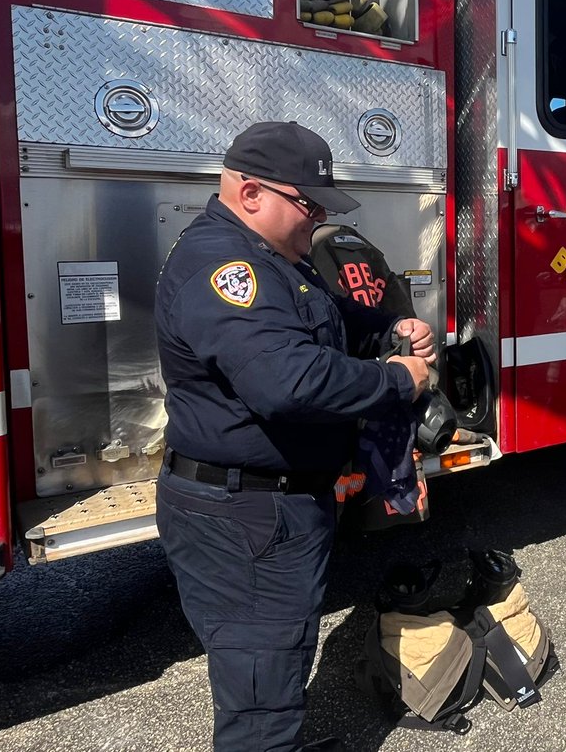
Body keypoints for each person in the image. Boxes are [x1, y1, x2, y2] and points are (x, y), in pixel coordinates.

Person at [154, 121, 435, 751]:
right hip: (246, 515)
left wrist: (391, 327)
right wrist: (396, 382)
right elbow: (288, 381)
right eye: (309, 206)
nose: (319, 221)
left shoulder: (274, 261)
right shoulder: (226, 268)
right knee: (261, 691)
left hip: (269, 507)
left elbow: (323, 323)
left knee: (276, 666)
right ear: (251, 193)